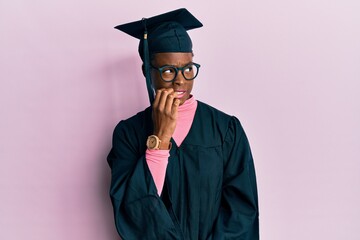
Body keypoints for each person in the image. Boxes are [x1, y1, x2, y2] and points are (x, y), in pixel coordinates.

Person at [107, 8, 259, 240]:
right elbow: (134, 210)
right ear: (148, 72)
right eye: (168, 71)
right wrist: (160, 138)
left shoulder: (226, 130)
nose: (180, 80)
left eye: (188, 69)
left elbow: (241, 212)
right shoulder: (128, 134)